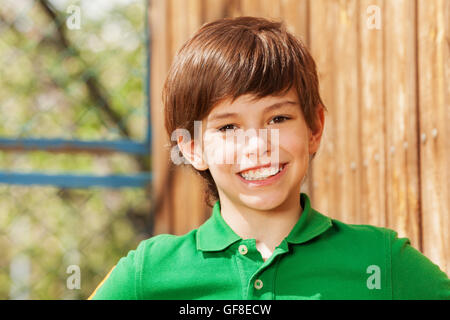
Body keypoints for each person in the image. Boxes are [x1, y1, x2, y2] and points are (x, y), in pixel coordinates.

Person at [89, 16, 449, 300]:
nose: (257, 145)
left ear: (314, 128)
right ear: (191, 148)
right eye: (228, 127)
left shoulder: (381, 260)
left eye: (278, 119)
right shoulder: (150, 273)